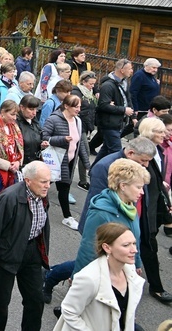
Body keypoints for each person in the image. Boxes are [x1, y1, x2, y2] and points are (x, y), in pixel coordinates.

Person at [0, 161, 51, 331]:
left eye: (49, 181)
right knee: (0, 305)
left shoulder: (42, 195)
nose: (47, 186)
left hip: (32, 252)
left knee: (35, 300)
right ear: (28, 180)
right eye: (43, 182)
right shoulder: (9, 198)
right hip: (7, 254)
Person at [54, 223, 144, 331]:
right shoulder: (89, 278)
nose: (134, 250)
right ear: (107, 247)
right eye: (126, 245)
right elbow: (69, 311)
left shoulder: (131, 271)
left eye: (134, 243)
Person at [73, 159, 148, 278]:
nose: (142, 192)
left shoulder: (130, 207)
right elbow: (88, 248)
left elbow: (135, 240)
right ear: (123, 186)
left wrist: (136, 262)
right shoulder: (101, 213)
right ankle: (52, 275)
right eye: (138, 187)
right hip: (104, 273)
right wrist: (77, 277)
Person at [135, 117, 172, 303]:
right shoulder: (142, 151)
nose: (164, 134)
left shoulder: (159, 150)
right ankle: (156, 288)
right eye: (160, 131)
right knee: (148, 245)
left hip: (156, 202)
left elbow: (158, 177)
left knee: (148, 243)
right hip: (143, 207)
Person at [42, 94, 90, 230]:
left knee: (63, 187)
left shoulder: (78, 121)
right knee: (49, 185)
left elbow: (79, 144)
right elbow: (45, 137)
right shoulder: (54, 119)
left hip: (69, 161)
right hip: (55, 160)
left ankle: (66, 217)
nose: (78, 109)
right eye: (75, 106)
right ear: (66, 106)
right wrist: (62, 139)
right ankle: (64, 216)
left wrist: (86, 164)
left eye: (79, 106)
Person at [95, 59, 135, 163]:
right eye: (130, 68)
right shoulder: (108, 85)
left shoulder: (124, 82)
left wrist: (133, 117)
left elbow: (128, 99)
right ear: (122, 70)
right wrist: (123, 110)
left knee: (106, 149)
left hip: (118, 122)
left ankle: (94, 170)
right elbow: (103, 105)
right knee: (116, 151)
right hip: (109, 124)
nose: (132, 71)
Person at [72, 71, 98, 189]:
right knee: (84, 153)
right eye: (91, 84)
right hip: (78, 126)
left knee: (81, 153)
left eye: (93, 84)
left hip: (85, 127)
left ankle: (81, 178)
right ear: (83, 82)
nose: (92, 86)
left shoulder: (89, 93)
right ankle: (82, 181)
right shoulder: (77, 93)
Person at [17, 94, 47, 165]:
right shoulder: (16, 124)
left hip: (35, 163)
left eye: (36, 109)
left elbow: (38, 138)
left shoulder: (35, 122)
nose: (34, 113)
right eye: (31, 109)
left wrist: (42, 145)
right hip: (22, 164)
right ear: (22, 108)